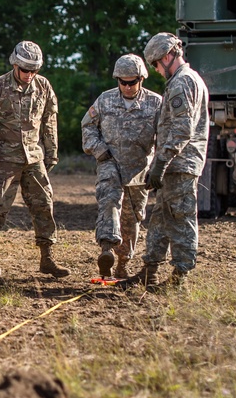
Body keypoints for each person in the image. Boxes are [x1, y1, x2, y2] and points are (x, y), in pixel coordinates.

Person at [0, 40, 70, 278]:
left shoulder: (43, 86)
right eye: (25, 70)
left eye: (34, 70)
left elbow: (49, 120)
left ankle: (47, 257)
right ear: (15, 65)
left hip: (33, 157)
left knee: (44, 204)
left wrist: (52, 150)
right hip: (5, 158)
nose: (29, 74)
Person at [123, 32, 209, 288]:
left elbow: (183, 130)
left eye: (156, 64)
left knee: (181, 218)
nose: (157, 70)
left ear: (169, 55)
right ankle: (150, 270)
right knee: (160, 217)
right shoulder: (182, 81)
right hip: (173, 164)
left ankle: (179, 277)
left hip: (180, 165)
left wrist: (161, 163)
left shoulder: (183, 82)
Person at [81, 54, 162, 278]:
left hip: (139, 169)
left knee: (132, 217)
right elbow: (87, 126)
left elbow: (164, 136)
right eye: (122, 82)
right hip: (110, 162)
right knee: (109, 202)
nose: (127, 86)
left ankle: (123, 263)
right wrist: (99, 150)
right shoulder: (105, 100)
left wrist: (158, 165)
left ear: (141, 79)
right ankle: (106, 248)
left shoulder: (155, 103)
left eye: (132, 82)